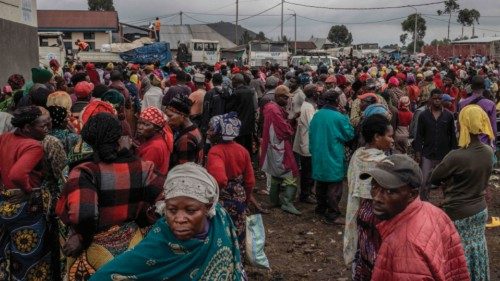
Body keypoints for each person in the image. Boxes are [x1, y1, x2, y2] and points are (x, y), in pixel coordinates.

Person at [56, 113, 165, 281]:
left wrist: (81, 238)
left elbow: (84, 215)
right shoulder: (143, 167)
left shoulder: (85, 171)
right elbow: (167, 197)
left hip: (93, 251)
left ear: (89, 140)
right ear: (118, 137)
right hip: (132, 247)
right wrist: (149, 219)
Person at [89, 163, 245, 280]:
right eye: (172, 210)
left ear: (208, 207)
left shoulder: (220, 221)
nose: (179, 219)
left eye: (190, 211)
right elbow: (113, 272)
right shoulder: (161, 239)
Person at [360, 154, 470, 281]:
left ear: (412, 195)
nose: (377, 198)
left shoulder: (404, 246)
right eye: (374, 187)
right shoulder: (432, 211)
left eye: (389, 191)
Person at [431, 104, 494, 281]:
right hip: (480, 211)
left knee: (458, 256)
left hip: (458, 213)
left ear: (462, 125)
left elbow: (434, 178)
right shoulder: (489, 152)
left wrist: (450, 180)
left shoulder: (456, 156)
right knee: (478, 251)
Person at [0, 106, 52, 280]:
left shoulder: (5, 138)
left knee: (8, 253)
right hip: (26, 209)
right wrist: (28, 191)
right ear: (27, 127)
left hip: (5, 204)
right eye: (42, 126)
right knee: (30, 256)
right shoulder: (33, 146)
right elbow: (17, 174)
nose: (47, 129)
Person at [344, 114, 393, 280]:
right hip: (376, 214)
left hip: (357, 209)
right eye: (389, 136)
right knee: (376, 252)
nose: (392, 140)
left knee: (361, 248)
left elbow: (351, 181)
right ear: (377, 137)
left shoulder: (358, 154)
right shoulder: (384, 162)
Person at [206, 112, 258, 256]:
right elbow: (250, 181)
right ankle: (238, 263)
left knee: (221, 232)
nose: (208, 132)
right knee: (238, 232)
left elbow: (220, 179)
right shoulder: (243, 150)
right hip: (239, 195)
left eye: (211, 129)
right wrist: (245, 198)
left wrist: (213, 195)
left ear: (219, 132)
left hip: (223, 197)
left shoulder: (215, 152)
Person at [309, 89, 354, 224]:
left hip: (318, 154)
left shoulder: (317, 115)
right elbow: (349, 135)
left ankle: (321, 208)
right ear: (337, 101)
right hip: (333, 155)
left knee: (321, 183)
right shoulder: (339, 117)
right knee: (334, 187)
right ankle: (333, 214)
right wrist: (345, 116)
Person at [260, 85, 301, 215]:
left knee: (276, 173)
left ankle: (274, 200)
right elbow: (285, 130)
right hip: (279, 146)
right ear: (278, 97)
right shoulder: (274, 110)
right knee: (291, 173)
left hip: (273, 145)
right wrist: (291, 125)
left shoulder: (271, 108)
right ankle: (287, 203)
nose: (287, 100)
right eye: (285, 98)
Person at [413, 88, 457, 201]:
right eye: (434, 99)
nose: (437, 101)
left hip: (444, 154)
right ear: (430, 100)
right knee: (424, 182)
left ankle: (447, 204)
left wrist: (454, 153)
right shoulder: (423, 115)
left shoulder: (449, 116)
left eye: (439, 99)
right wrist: (418, 152)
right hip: (427, 154)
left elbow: (452, 136)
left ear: (442, 100)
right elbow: (419, 135)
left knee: (447, 182)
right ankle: (423, 204)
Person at [293, 84, 318, 204]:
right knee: (307, 172)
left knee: (308, 171)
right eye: (316, 92)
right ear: (313, 94)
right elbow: (313, 125)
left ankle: (307, 192)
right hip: (307, 144)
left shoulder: (308, 105)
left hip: (306, 143)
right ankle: (305, 194)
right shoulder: (308, 108)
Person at [458, 75, 497, 148]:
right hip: (484, 144)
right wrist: (493, 145)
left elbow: (460, 124)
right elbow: (493, 127)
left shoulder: (462, 103)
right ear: (484, 87)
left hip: (467, 143)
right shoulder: (490, 104)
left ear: (471, 87)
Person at [166, 93, 203, 167]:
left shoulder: (186, 139)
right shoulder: (194, 127)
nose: (167, 120)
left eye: (170, 116)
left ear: (182, 115)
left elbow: (184, 170)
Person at [136, 106, 174, 175]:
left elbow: (143, 174)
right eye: (139, 123)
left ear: (157, 128)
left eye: (146, 124)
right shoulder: (159, 138)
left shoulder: (154, 147)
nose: (140, 127)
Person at [229, 73, 256, 156]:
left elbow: (231, 109)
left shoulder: (236, 93)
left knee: (239, 145)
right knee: (248, 144)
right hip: (249, 123)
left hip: (238, 123)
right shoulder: (249, 91)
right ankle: (249, 160)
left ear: (235, 82)